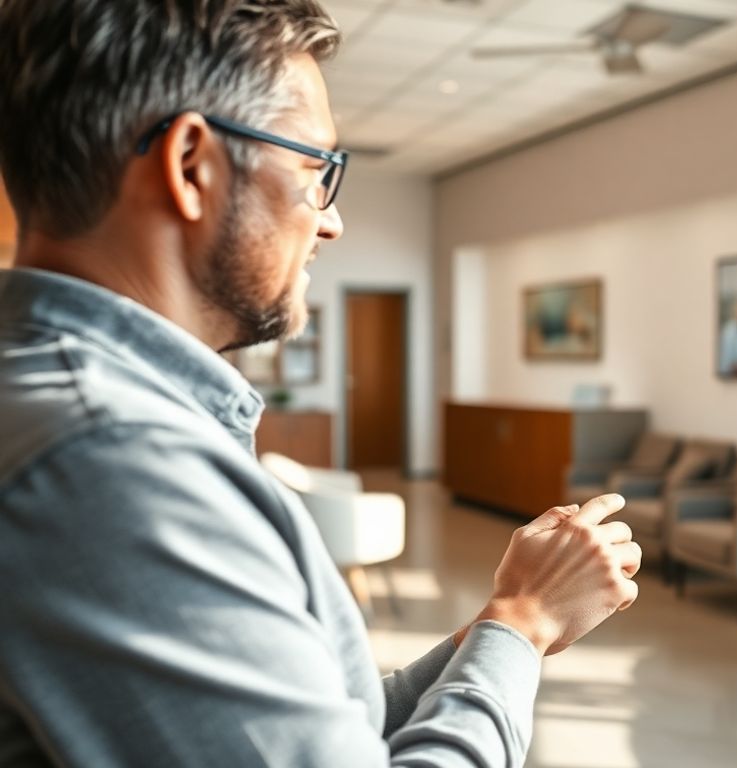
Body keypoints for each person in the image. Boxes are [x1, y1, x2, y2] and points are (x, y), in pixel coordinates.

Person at [0, 2, 640, 765]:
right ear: (192, 165)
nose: (330, 223)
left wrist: (500, 634)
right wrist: (521, 621)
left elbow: (339, 729)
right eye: (316, 170)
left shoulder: (72, 416)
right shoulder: (116, 463)